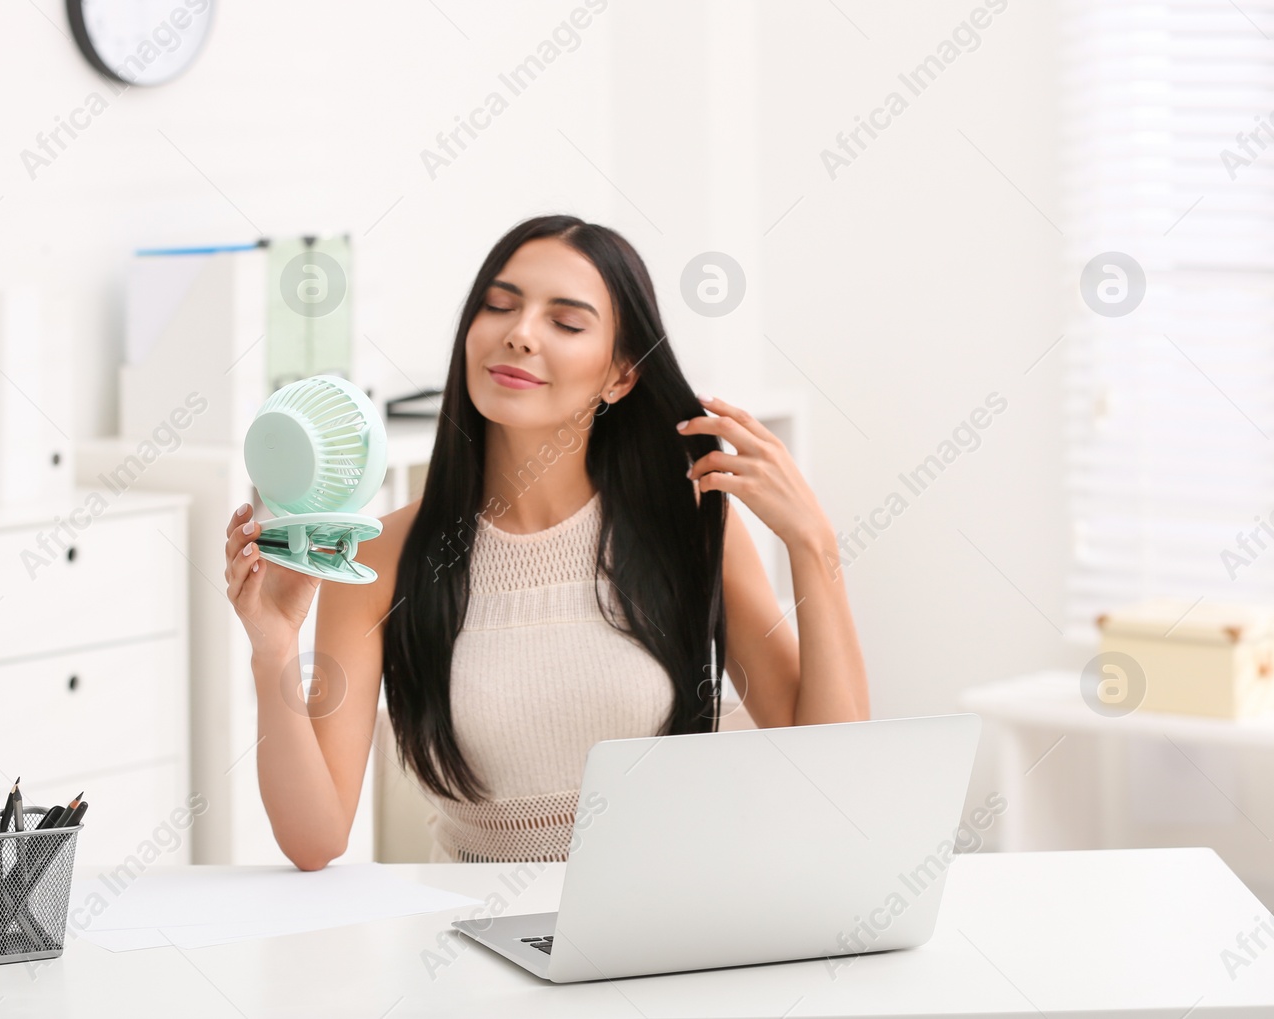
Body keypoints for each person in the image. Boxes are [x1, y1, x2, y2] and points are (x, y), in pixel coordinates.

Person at [225, 214, 868, 869]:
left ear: (620, 375)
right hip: (471, 943)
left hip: (662, 934)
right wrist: (272, 643)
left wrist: (813, 545)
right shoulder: (385, 555)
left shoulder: (690, 524)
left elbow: (828, 773)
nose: (520, 334)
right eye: (499, 305)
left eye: (565, 322)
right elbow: (315, 839)